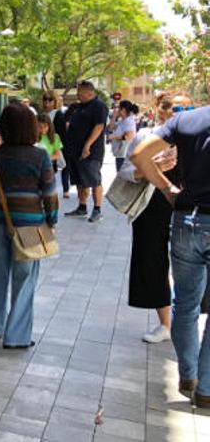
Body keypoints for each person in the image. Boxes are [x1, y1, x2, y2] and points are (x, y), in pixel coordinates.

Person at [131, 103, 210, 408]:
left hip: (186, 219)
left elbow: (140, 155)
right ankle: (205, 389)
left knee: (186, 303)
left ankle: (189, 374)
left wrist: (167, 189)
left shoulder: (186, 119)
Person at [0, 104, 58, 349]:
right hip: (29, 225)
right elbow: (50, 193)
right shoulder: (40, 155)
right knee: (25, 279)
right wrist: (51, 220)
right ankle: (17, 336)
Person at [118, 95, 177, 344]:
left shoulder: (196, 137)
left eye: (183, 107)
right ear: (158, 109)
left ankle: (185, 319)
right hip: (151, 207)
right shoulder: (146, 136)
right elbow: (125, 171)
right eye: (169, 107)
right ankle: (165, 323)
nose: (174, 113)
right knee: (152, 262)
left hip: (190, 207)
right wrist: (145, 171)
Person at [63, 81, 108, 223]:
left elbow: (99, 126)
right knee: (79, 181)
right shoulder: (80, 107)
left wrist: (87, 145)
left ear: (90, 92)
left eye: (80, 93)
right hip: (74, 151)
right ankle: (82, 207)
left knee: (94, 180)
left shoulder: (98, 106)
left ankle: (97, 209)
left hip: (90, 152)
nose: (78, 96)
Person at [110, 100, 138, 171]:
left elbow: (129, 137)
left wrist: (113, 137)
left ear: (123, 109)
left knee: (122, 177)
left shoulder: (129, 121)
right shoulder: (122, 121)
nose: (117, 110)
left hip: (125, 155)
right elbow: (111, 127)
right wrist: (114, 116)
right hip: (120, 153)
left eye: (119, 108)